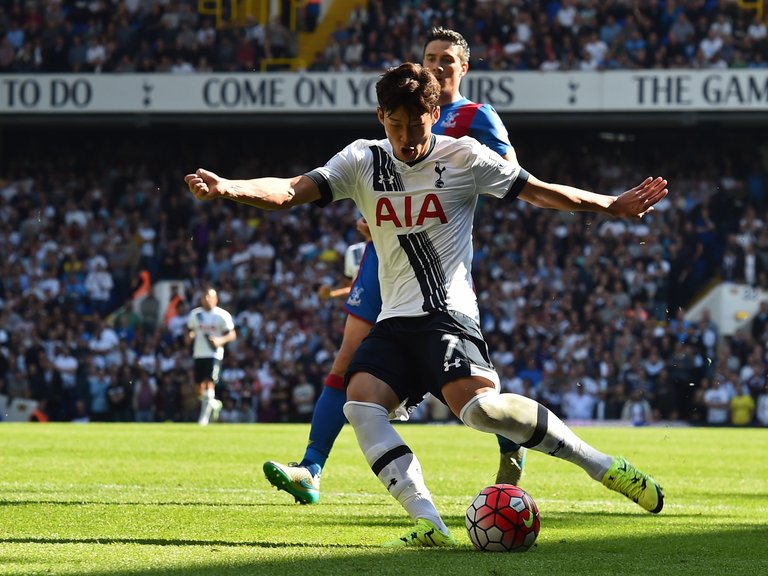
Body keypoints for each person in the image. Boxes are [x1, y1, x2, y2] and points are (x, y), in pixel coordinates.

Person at [184, 62, 668, 547]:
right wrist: (228, 187)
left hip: (446, 314)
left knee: (478, 412)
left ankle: (604, 467)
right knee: (361, 404)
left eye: (416, 125)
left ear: (434, 113)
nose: (407, 137)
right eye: (396, 125)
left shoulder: (464, 156)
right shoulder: (361, 160)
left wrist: (611, 205)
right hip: (394, 321)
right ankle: (430, 524)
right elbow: (289, 190)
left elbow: (539, 191)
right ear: (381, 117)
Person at [262, 27, 526, 506]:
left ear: (464, 67)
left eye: (448, 59)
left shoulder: (477, 118)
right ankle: (311, 467)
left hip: (438, 262)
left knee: (456, 383)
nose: (439, 65)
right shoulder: (400, 119)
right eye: (431, 57)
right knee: (348, 359)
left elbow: (506, 180)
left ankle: (508, 436)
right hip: (384, 255)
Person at [185, 286, 237, 425]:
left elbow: (231, 334)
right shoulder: (195, 314)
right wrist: (189, 337)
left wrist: (220, 341)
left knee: (209, 383)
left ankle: (204, 419)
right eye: (205, 297)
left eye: (210, 297)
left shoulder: (222, 315)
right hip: (198, 353)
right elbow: (190, 331)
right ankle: (213, 404)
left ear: (216, 299)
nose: (207, 299)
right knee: (198, 388)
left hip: (213, 353)